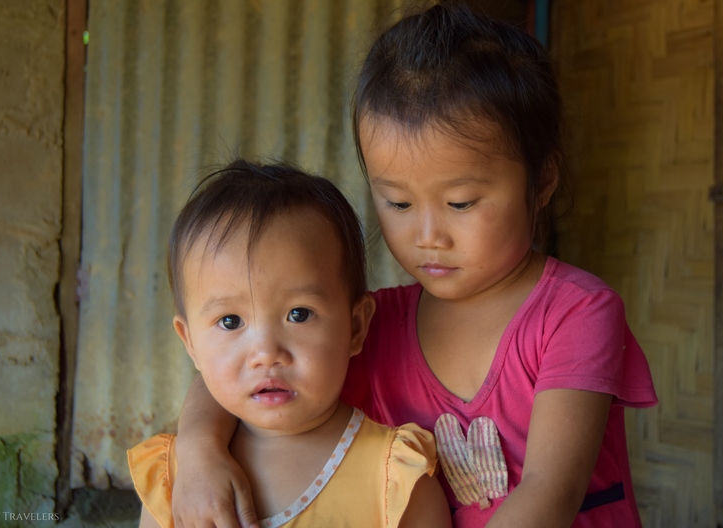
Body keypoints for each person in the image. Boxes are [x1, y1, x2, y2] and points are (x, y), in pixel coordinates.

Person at [170, 4, 658, 528]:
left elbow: (549, 493)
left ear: (541, 181)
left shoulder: (576, 314)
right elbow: (241, 361)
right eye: (398, 204)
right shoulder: (375, 325)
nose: (428, 236)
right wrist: (199, 452)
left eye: (462, 202)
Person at [127, 160, 451, 528]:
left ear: (356, 327)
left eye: (299, 314)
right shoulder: (177, 479)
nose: (266, 353)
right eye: (230, 321)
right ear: (190, 343)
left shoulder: (395, 480)